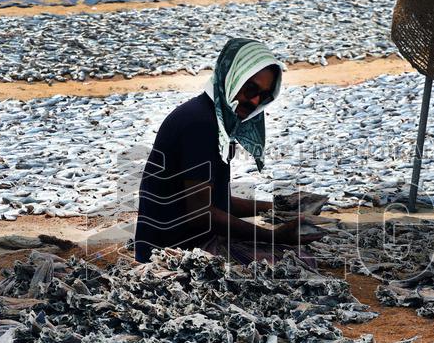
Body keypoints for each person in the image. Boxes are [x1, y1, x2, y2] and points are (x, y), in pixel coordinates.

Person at [133, 38, 320, 264]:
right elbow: (202, 214)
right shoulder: (199, 124)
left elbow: (216, 203)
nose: (254, 100)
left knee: (298, 253)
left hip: (188, 239)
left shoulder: (213, 119)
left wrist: (278, 207)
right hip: (171, 252)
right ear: (232, 77)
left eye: (264, 95)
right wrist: (274, 236)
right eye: (250, 88)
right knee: (299, 259)